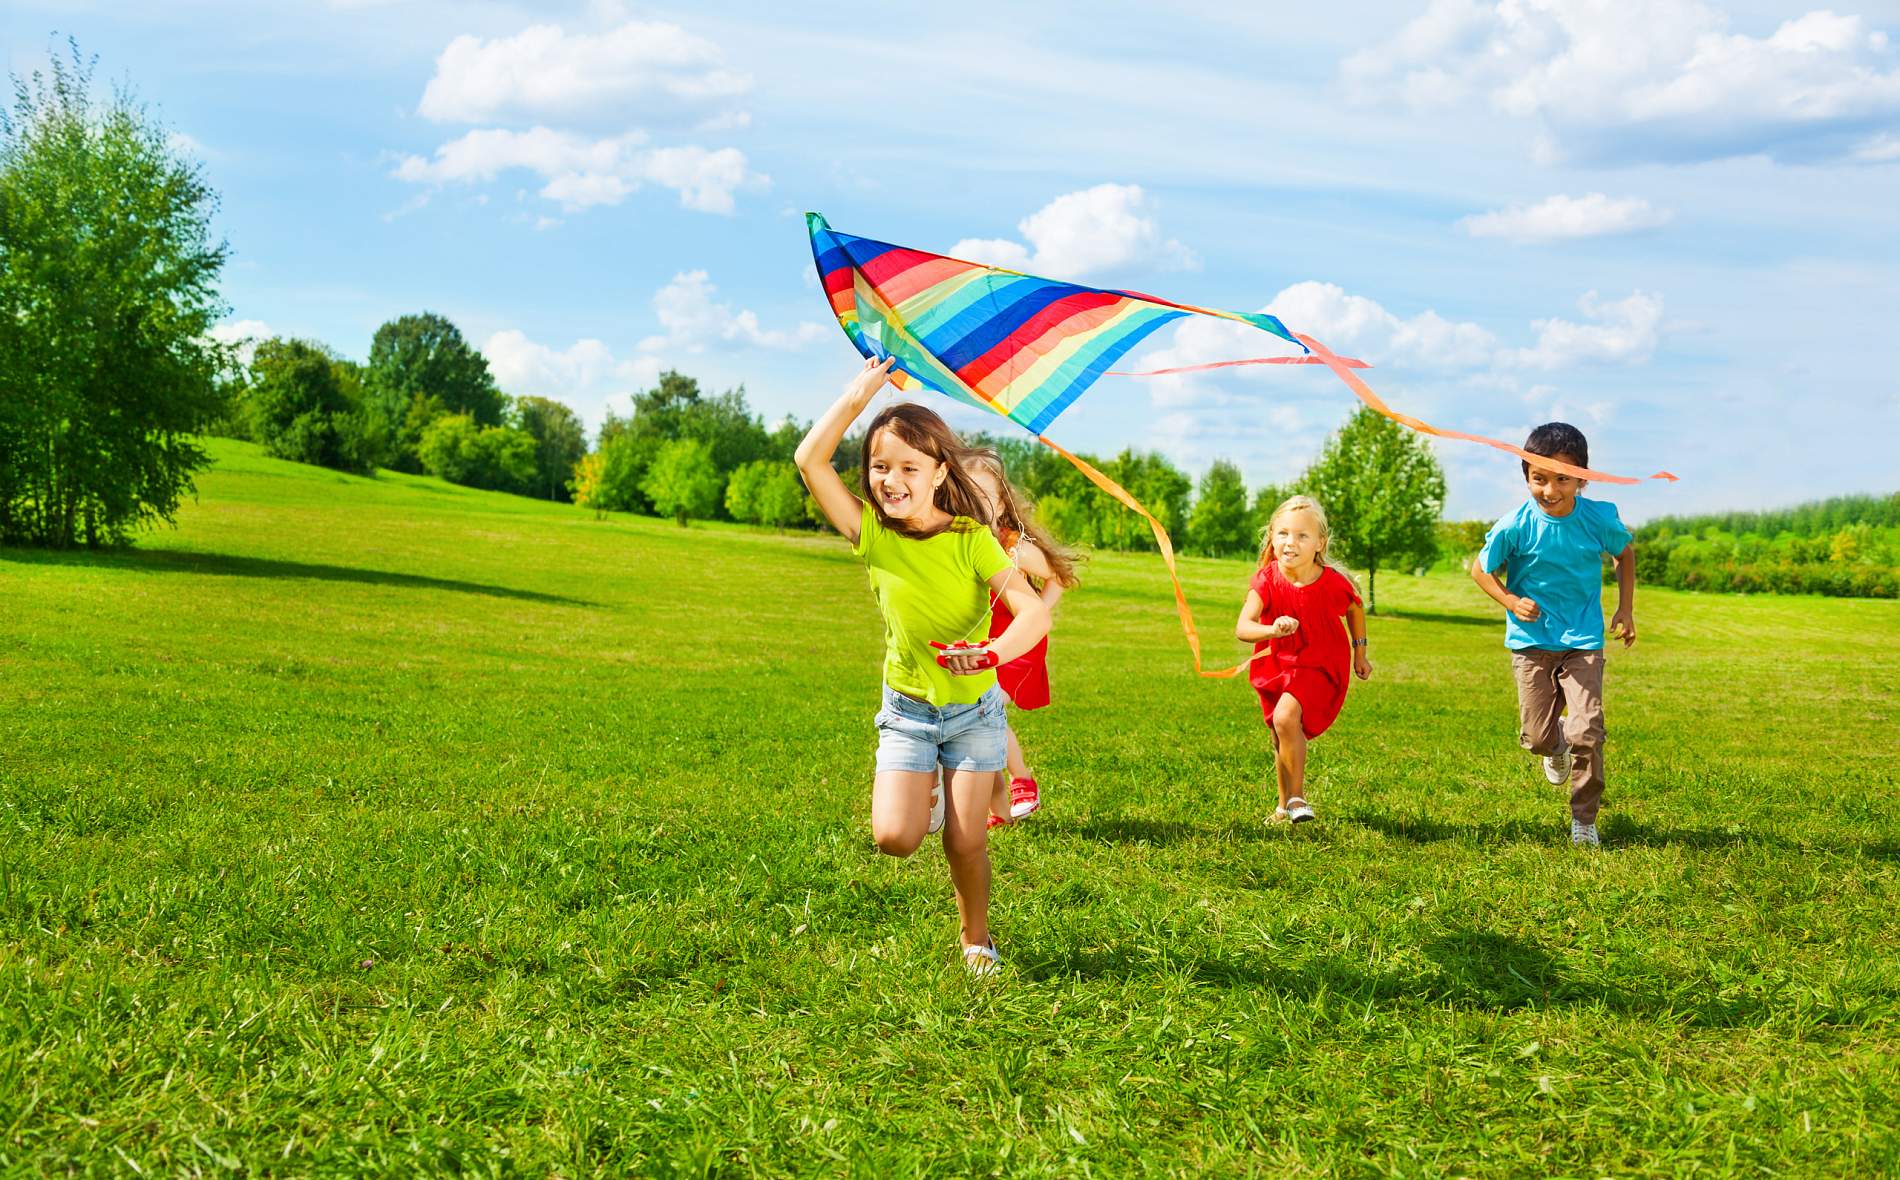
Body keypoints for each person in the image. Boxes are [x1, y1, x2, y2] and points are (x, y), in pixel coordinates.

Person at [794, 357, 1050, 976]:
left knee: (967, 839)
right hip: (908, 713)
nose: (891, 479)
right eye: (880, 466)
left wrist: (989, 653)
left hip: (974, 712)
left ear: (939, 473)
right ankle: (925, 795)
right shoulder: (871, 533)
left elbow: (1031, 613)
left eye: (909, 467)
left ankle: (976, 939)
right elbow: (809, 461)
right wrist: (859, 394)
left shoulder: (970, 537)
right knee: (896, 839)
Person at [1469, 422, 1636, 849]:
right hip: (1531, 643)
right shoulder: (1515, 524)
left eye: (1562, 478)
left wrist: (1625, 608)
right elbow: (1480, 569)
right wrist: (1509, 601)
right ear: (1526, 477)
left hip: (1582, 640)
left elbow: (1624, 554)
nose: (1550, 489)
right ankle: (1555, 743)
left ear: (1583, 477)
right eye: (1539, 478)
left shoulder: (1598, 518)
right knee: (1538, 739)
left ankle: (1584, 819)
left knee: (1589, 730)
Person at [960, 449, 1083, 828]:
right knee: (974, 717)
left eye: (986, 497)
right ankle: (996, 808)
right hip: (986, 640)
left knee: (987, 707)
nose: (977, 505)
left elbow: (1060, 577)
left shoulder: (1013, 547)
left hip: (1018, 640)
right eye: (967, 496)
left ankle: (1022, 779)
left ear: (1002, 503)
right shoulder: (960, 539)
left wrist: (1036, 615)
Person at [1234, 494, 1370, 825]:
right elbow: (1243, 627)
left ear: (1319, 543)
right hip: (1279, 664)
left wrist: (1360, 653)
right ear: (1272, 536)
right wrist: (1271, 629)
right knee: (1279, 732)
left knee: (1285, 718)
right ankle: (1284, 807)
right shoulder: (1267, 580)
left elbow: (1354, 608)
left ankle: (1296, 798)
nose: (1290, 543)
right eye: (1282, 534)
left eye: (1302, 536)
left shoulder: (1333, 582)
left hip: (1321, 663)